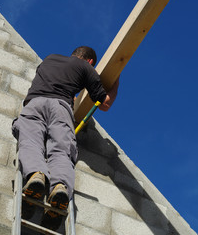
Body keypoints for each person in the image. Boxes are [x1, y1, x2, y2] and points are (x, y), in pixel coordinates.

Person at [11, 46, 120, 230]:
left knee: (31, 142)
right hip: (60, 109)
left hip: (34, 103)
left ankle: (36, 175)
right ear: (90, 61)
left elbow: (58, 82)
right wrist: (116, 81)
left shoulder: (50, 58)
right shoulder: (85, 67)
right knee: (61, 151)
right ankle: (60, 187)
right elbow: (104, 104)